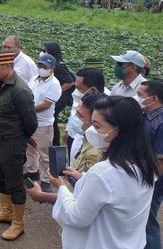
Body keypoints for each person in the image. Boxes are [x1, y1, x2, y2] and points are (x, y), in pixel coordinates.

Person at [50, 96, 157, 249]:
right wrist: (83, 178)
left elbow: (76, 217)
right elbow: (118, 192)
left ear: (119, 130)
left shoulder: (104, 172)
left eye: (97, 126)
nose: (92, 130)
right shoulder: (145, 162)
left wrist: (61, 187)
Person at [0, 50, 38, 241]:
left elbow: (31, 122)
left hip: (13, 142)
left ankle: (18, 223)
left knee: (15, 182)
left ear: (8, 67)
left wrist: (22, 138)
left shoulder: (20, 90)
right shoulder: (1, 83)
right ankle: (6, 212)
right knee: (0, 177)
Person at [27, 93, 105, 205]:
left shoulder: (96, 151)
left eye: (80, 115)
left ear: (95, 119)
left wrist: (43, 196)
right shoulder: (86, 139)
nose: (75, 117)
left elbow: (84, 200)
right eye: (76, 112)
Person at [23, 53, 62, 192]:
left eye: (45, 66)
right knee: (30, 149)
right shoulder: (34, 78)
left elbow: (45, 105)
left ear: (52, 68)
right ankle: (32, 171)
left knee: (44, 154)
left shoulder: (54, 84)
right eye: (39, 65)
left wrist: (27, 109)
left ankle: (46, 180)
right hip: (30, 122)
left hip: (43, 124)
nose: (41, 68)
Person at [137, 80, 163, 249]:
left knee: (148, 222)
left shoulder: (160, 122)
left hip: (152, 180)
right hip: (144, 175)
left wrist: (148, 183)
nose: (137, 98)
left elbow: (160, 160)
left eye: (140, 95)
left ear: (153, 98)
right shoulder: (147, 116)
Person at [66, 67, 107, 163]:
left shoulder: (103, 106)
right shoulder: (81, 96)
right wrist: (68, 129)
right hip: (78, 137)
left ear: (92, 90)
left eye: (79, 88)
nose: (75, 91)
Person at [41, 41, 75, 146]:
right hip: (56, 96)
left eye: (44, 51)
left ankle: (55, 144)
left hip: (61, 97)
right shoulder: (52, 64)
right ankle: (54, 143)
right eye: (42, 51)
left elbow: (70, 82)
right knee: (53, 119)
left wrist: (57, 90)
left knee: (52, 117)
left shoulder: (60, 66)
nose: (42, 53)